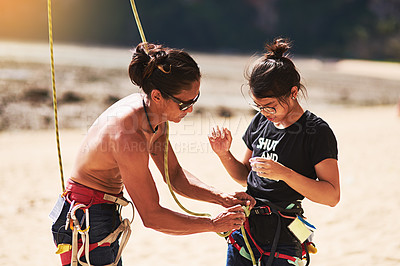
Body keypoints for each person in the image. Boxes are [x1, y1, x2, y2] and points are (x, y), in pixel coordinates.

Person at [50, 42, 255, 266]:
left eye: (194, 100)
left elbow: (175, 175)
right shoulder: (128, 136)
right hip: (85, 216)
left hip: (103, 211)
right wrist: (213, 225)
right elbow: (152, 216)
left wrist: (222, 198)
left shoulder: (155, 117)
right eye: (184, 104)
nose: (190, 110)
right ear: (157, 96)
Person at [208, 38, 340, 266]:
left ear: (293, 92)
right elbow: (244, 176)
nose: (265, 112)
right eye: (259, 106)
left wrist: (285, 174)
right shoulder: (260, 121)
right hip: (246, 227)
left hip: (286, 232)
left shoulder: (316, 131)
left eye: (271, 106)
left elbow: (331, 196)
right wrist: (223, 154)